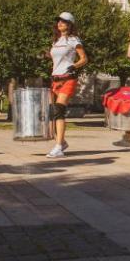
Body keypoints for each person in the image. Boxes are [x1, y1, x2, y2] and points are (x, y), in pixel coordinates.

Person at [45, 12, 88, 158]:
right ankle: (62, 142)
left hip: (68, 78)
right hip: (55, 79)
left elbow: (84, 59)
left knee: (59, 110)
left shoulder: (73, 39)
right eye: (59, 21)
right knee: (53, 112)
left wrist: (74, 66)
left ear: (70, 24)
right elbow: (56, 59)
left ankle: (58, 148)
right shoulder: (56, 41)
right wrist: (45, 55)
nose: (60, 23)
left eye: (63, 21)